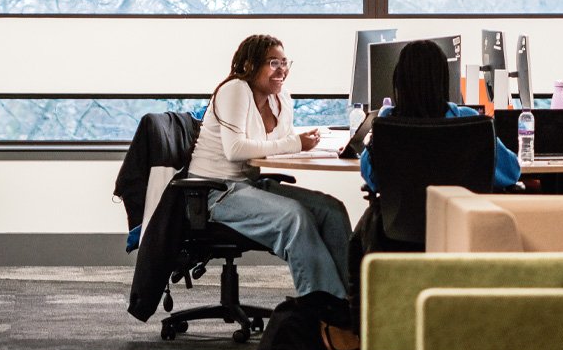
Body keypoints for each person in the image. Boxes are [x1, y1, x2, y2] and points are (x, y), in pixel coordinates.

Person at [188, 34, 354, 299]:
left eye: (285, 62)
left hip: (249, 185)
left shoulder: (280, 96)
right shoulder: (235, 90)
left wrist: (308, 143)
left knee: (330, 210)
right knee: (294, 217)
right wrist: (294, 143)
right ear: (248, 66)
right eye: (273, 63)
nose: (282, 70)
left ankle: (356, 305)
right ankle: (324, 312)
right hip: (215, 191)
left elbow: (281, 141)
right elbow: (236, 150)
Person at [361, 40, 521, 193]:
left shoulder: (387, 123)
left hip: (401, 221)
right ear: (443, 79)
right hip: (460, 220)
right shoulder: (469, 121)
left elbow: (370, 175)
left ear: (399, 81)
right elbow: (511, 172)